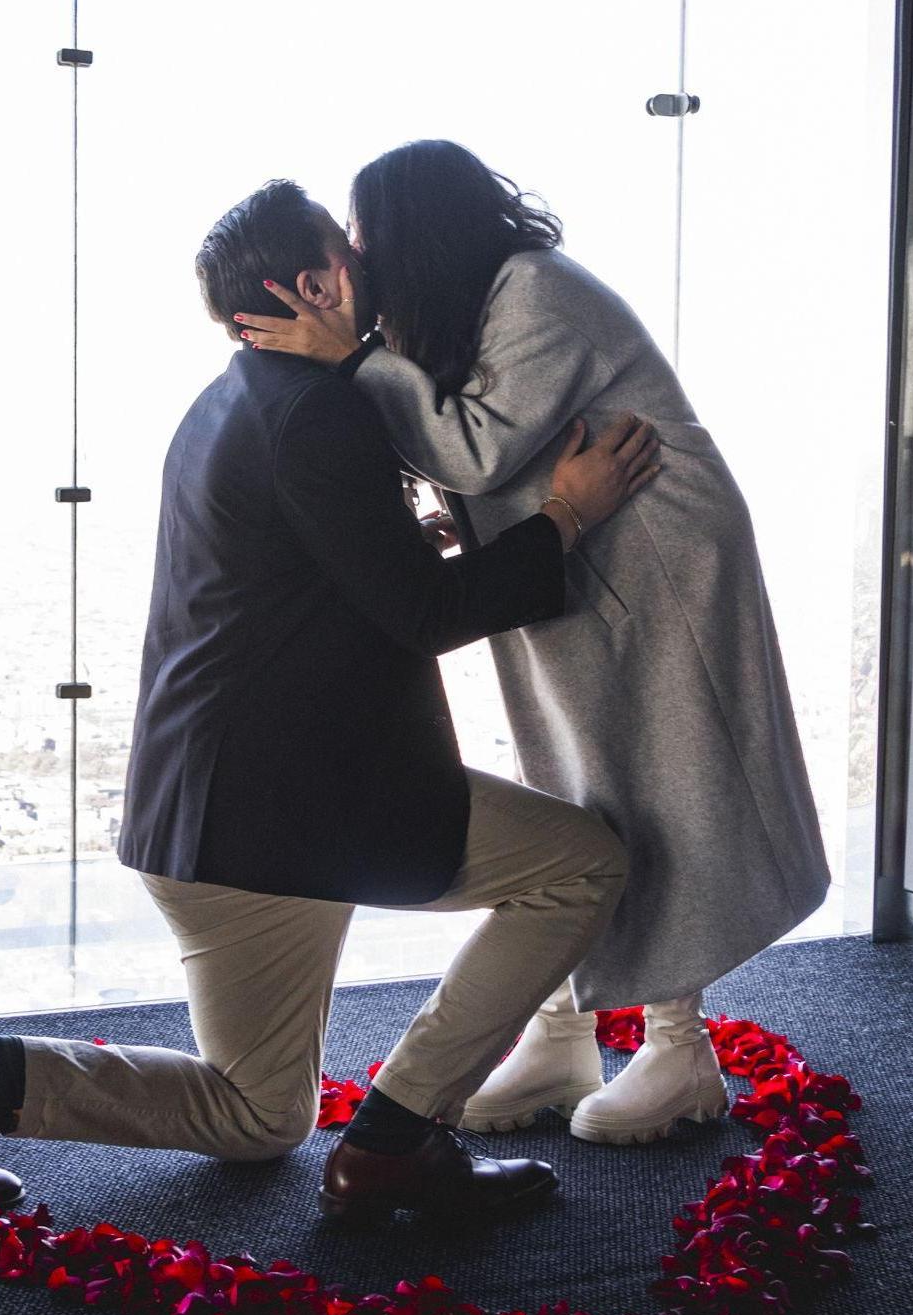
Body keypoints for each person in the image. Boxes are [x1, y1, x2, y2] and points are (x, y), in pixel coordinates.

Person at [0, 178, 659, 1223]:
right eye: (352, 253)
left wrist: (392, 543)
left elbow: (287, 567)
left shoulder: (229, 401)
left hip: (195, 822)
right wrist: (564, 514)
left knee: (256, 1117)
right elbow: (426, 616)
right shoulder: (321, 416)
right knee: (583, 867)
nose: (367, 269)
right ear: (318, 281)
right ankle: (394, 1138)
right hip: (289, 818)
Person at [235, 139, 828, 1146]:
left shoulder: (534, 288)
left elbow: (472, 445)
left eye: (367, 230)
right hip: (576, 552)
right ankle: (560, 1031)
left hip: (653, 556)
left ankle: (678, 1052)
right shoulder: (480, 305)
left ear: (418, 226)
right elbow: (480, 444)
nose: (359, 258)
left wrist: (351, 359)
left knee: (655, 782)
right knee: (577, 789)